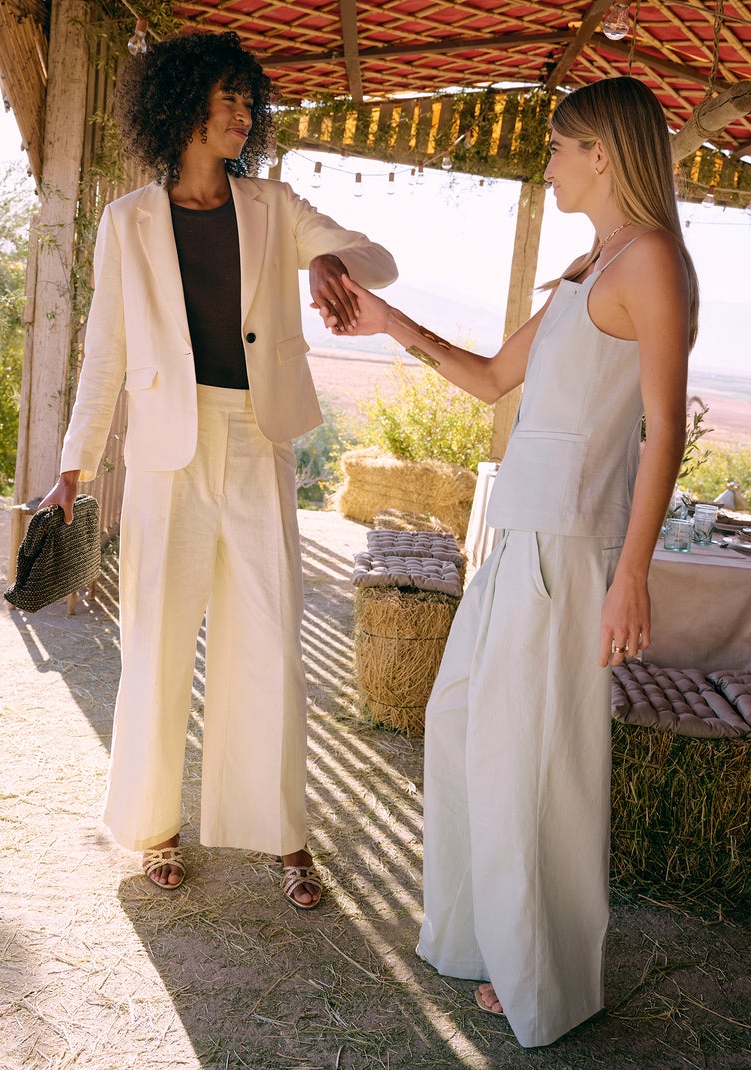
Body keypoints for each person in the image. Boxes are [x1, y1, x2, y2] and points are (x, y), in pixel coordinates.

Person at [321, 76, 697, 1043]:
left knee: (536, 763)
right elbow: (492, 376)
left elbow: (662, 435)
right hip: (514, 544)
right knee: (459, 733)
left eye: (562, 147)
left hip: (568, 551)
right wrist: (385, 322)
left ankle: (549, 981)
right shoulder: (591, 265)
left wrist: (631, 573)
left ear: (603, 153)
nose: (551, 160)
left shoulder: (652, 260)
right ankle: (490, 939)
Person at [39, 30, 397, 906]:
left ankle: (281, 836)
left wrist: (329, 261)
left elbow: (378, 257)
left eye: (248, 99)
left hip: (258, 439)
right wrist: (73, 467)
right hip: (166, 451)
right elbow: (105, 354)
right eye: (227, 98)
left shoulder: (276, 206)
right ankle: (155, 827)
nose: (243, 114)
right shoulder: (128, 221)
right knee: (158, 638)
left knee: (270, 637)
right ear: (181, 106)